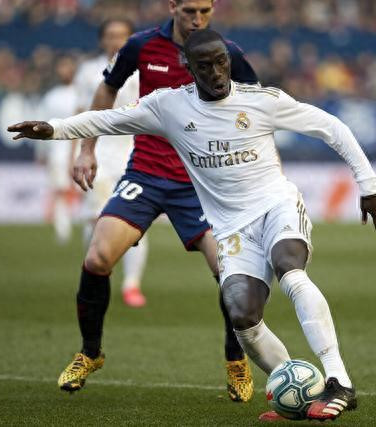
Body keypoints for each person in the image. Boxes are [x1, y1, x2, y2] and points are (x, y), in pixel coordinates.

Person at [8, 29, 376, 421]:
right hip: (232, 230)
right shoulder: (169, 106)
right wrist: (53, 129)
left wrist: (369, 186)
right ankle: (299, 394)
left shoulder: (261, 100)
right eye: (205, 66)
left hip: (276, 206)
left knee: (290, 271)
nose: (216, 72)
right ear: (188, 68)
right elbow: (108, 118)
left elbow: (332, 127)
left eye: (221, 62)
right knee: (243, 318)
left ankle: (339, 381)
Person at [50, 0, 258, 402]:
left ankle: (236, 359)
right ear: (172, 6)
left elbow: (257, 102)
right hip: (145, 173)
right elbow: (107, 87)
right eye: (190, 11)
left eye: (205, 11)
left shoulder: (226, 51)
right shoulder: (141, 46)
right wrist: (87, 149)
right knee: (97, 257)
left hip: (201, 182)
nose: (198, 19)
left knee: (230, 272)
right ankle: (90, 352)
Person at [72, 19, 149, 307]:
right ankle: (95, 273)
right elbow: (80, 114)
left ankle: (132, 284)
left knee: (135, 224)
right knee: (95, 220)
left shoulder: (144, 70)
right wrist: (76, 152)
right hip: (99, 154)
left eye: (122, 36)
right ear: (102, 40)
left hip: (135, 153)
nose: (116, 40)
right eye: (110, 35)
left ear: (131, 39)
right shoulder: (88, 72)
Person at [37, 54, 78, 244]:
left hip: (80, 150)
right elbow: (41, 125)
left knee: (88, 190)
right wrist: (41, 152)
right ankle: (63, 231)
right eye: (61, 67)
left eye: (67, 66)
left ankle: (93, 227)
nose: (64, 71)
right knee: (60, 190)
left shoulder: (83, 92)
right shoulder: (51, 97)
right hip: (58, 152)